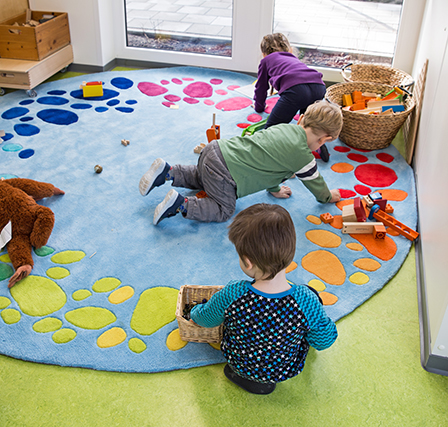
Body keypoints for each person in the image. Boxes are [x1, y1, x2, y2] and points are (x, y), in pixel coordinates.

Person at [190, 203, 338, 394]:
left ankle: (245, 377)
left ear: (248, 262)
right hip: (282, 369)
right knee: (312, 302)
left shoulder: (233, 293)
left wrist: (194, 312)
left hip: (240, 363)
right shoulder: (305, 299)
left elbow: (205, 319)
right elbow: (324, 341)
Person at [139, 100, 342, 225]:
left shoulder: (283, 128)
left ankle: (169, 172)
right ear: (324, 139)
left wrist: (274, 189)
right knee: (224, 209)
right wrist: (327, 197)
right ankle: (181, 205)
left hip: (216, 150)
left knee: (203, 178)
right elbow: (315, 182)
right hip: (226, 174)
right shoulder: (303, 156)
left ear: (301, 120)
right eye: (320, 142)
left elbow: (269, 162)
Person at [254, 33, 330, 161]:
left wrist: (259, 107)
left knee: (273, 128)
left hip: (296, 91)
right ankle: (316, 141)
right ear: (290, 50)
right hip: (318, 86)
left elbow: (261, 88)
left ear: (264, 54)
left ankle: (271, 156)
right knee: (308, 122)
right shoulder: (292, 58)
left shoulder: (265, 61)